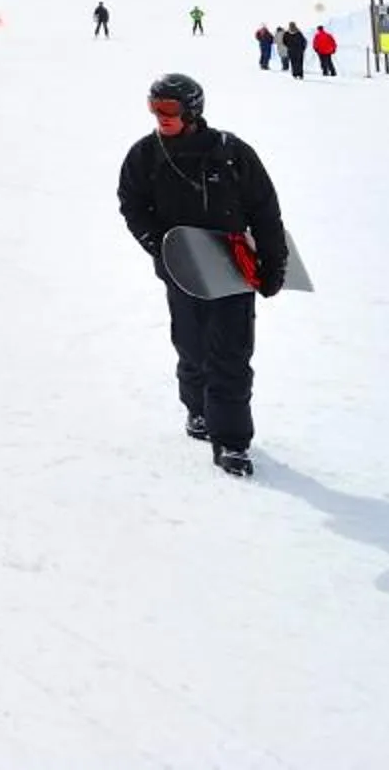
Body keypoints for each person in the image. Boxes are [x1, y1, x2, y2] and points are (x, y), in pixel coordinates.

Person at [115, 73, 286, 479]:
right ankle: (198, 410)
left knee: (230, 354)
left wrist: (273, 263)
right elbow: (132, 204)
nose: (161, 117)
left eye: (170, 109)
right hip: (182, 270)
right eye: (154, 108)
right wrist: (160, 245)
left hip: (232, 268)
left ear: (192, 110)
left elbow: (265, 210)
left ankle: (231, 441)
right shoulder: (145, 155)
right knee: (191, 347)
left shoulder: (231, 153)